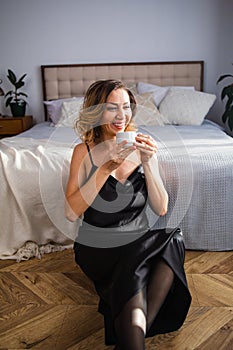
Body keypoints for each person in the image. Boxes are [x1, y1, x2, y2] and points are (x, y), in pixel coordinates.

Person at [65, 79, 191, 350]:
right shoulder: (83, 151)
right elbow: (70, 213)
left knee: (174, 239)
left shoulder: (143, 147)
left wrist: (148, 162)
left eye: (126, 107)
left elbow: (161, 208)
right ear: (97, 111)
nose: (121, 116)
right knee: (138, 264)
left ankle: (129, 337)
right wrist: (105, 168)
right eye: (112, 108)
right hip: (97, 245)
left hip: (138, 240)